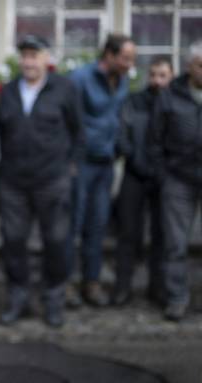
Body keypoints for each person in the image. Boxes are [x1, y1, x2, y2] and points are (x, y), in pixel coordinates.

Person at [0, 35, 82, 328]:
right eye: (25, 55)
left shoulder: (65, 89)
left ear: (47, 59)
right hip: (13, 183)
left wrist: (70, 169)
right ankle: (18, 298)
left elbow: (78, 131)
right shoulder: (7, 91)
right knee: (14, 242)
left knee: (56, 241)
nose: (29, 61)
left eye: (35, 55)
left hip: (52, 181)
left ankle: (53, 299)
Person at [66, 33, 136, 308]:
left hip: (106, 165)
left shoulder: (123, 81)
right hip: (81, 164)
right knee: (74, 225)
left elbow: (118, 120)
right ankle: (68, 285)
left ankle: (91, 284)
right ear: (109, 55)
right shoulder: (80, 79)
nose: (131, 65)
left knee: (97, 226)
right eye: (126, 58)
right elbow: (69, 120)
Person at [112, 56, 174, 307]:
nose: (157, 81)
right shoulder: (134, 101)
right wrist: (134, 158)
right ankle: (122, 288)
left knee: (161, 236)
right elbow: (122, 134)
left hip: (165, 177)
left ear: (171, 77)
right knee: (128, 234)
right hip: (135, 175)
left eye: (163, 75)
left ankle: (157, 288)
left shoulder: (176, 103)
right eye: (154, 75)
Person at [148, 41, 202, 321]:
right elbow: (155, 140)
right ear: (190, 66)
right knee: (176, 244)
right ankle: (177, 298)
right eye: (201, 65)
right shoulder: (170, 95)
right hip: (178, 179)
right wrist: (164, 175)